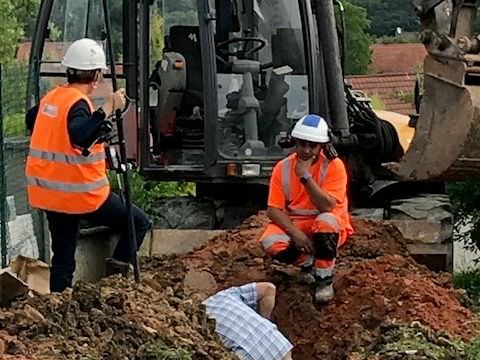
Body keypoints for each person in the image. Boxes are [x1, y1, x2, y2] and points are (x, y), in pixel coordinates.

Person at [25, 38, 152, 293]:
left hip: (51, 194)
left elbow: (33, 119)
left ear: (68, 70)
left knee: (62, 256)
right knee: (138, 222)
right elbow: (80, 135)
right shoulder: (79, 104)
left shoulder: (55, 97)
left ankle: (58, 304)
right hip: (82, 194)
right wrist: (107, 109)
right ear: (96, 75)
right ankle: (113, 281)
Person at [260, 114, 353, 303]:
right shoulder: (282, 168)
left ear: (322, 146)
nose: (307, 150)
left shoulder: (334, 167)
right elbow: (274, 209)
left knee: (325, 221)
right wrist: (295, 234)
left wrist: (305, 178)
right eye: (302, 144)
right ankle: (307, 263)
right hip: (298, 222)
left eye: (313, 145)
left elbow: (327, 206)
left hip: (329, 222)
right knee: (271, 241)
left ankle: (324, 279)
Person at [203, 282, 293, 360]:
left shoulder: (199, 321)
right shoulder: (225, 295)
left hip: (250, 356)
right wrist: (264, 322)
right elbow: (269, 289)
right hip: (278, 344)